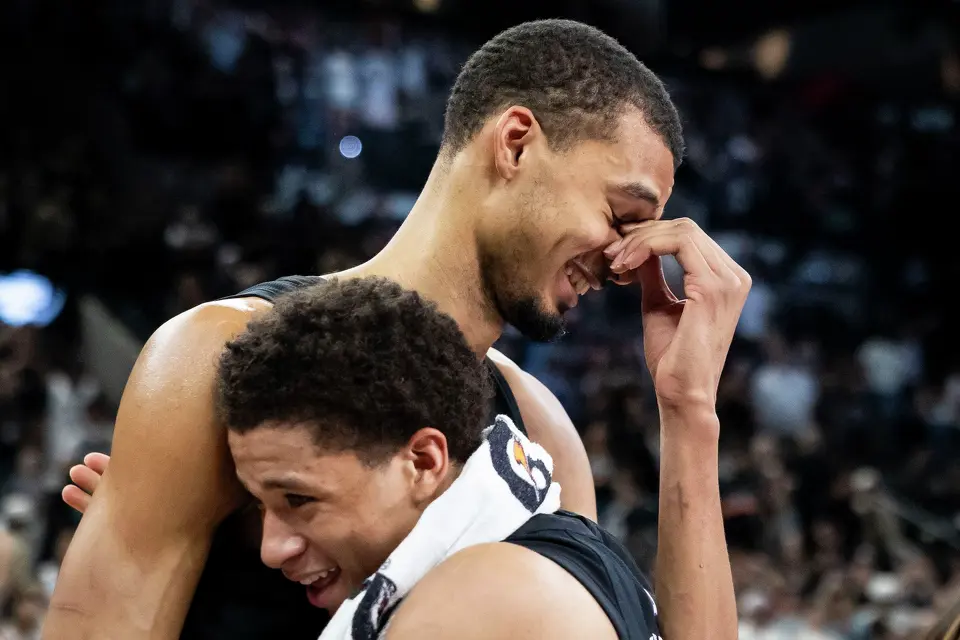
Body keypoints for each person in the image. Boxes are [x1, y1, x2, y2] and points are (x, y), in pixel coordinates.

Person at [45, 18, 746, 640]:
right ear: (516, 142)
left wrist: (689, 412)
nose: (627, 262)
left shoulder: (541, 430)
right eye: (622, 215)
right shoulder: (208, 358)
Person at [217, 276, 661, 639]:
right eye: (260, 505)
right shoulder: (565, 534)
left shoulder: (468, 607)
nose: (271, 549)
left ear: (424, 462)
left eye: (298, 499)